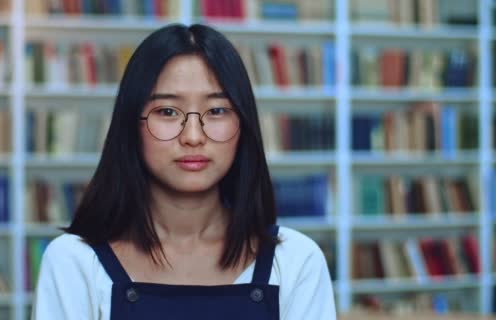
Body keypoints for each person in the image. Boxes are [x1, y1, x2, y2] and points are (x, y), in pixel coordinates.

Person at [32, 23, 336, 320]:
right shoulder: (73, 262)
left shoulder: (296, 261)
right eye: (167, 111)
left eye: (216, 111)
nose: (193, 135)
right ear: (130, 125)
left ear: (243, 124)